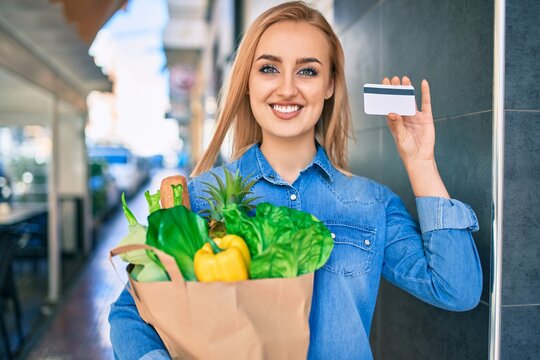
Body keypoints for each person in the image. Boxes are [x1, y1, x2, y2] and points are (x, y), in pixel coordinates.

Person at [109, 2, 482, 359]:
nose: (287, 89)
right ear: (248, 83)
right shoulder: (199, 198)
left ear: (330, 85)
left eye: (308, 71)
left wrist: (420, 162)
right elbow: (130, 314)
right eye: (269, 69)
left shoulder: (371, 203)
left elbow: (456, 289)